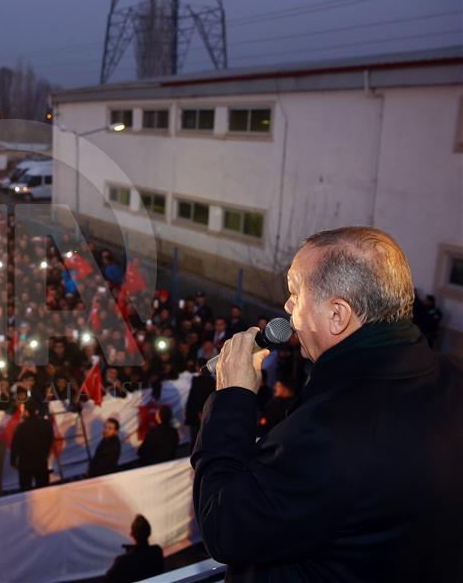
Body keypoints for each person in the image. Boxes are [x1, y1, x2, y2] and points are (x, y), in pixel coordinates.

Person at [191, 226, 463, 582]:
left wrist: (231, 399)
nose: (287, 308)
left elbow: (225, 525)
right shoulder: (452, 376)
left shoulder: (331, 430)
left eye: (294, 293)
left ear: (338, 315)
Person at [103, 514, 165, 583]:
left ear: (132, 534)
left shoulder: (122, 561)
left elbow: (108, 580)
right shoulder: (156, 551)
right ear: (149, 532)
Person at [10, 400, 53, 491]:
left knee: (25, 491)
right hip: (41, 461)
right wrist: (46, 453)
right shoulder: (46, 424)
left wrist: (13, 461)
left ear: (26, 412)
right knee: (43, 488)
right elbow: (50, 440)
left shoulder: (21, 427)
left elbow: (15, 446)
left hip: (26, 464)